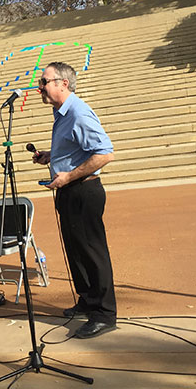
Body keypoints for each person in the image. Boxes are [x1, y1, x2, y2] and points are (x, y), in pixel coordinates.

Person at [32, 62, 117, 339]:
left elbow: (104, 153)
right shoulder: (61, 114)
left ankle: (104, 313)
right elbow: (76, 150)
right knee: (75, 250)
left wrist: (68, 177)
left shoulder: (78, 112)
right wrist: (51, 156)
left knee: (92, 252)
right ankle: (87, 300)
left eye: (44, 81)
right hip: (69, 191)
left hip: (84, 191)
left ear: (63, 83)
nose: (39, 87)